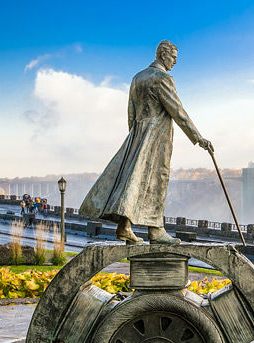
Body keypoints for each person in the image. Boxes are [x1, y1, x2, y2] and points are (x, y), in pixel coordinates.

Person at [79, 40, 213, 244]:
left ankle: (125, 226)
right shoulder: (162, 78)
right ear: (162, 54)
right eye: (174, 57)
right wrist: (198, 138)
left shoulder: (137, 78)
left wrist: (136, 138)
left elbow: (131, 112)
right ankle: (156, 230)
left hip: (137, 135)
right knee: (156, 181)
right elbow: (177, 111)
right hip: (157, 138)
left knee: (133, 181)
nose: (175, 62)